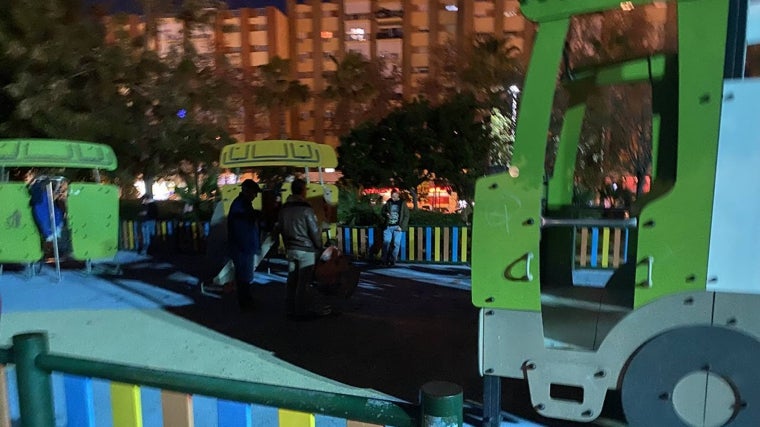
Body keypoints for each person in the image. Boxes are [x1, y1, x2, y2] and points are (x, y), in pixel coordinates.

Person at [273, 178, 332, 319]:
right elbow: (314, 231)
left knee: (291, 279)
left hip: (291, 249)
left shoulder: (284, 208)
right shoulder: (306, 209)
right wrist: (319, 246)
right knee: (303, 282)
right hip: (306, 250)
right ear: (303, 190)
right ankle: (300, 311)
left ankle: (289, 309)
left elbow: (278, 228)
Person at [227, 179, 263, 311]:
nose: (255, 196)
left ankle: (246, 301)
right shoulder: (241, 205)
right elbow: (241, 226)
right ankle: (246, 303)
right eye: (254, 192)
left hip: (243, 246)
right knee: (244, 277)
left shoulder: (243, 204)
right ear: (247, 191)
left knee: (244, 277)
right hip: (242, 247)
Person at [380, 188, 409, 266]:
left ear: (398, 195)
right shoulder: (388, 202)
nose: (393, 198)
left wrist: (401, 226)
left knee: (396, 243)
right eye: (392, 196)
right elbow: (382, 211)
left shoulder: (402, 203)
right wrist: (386, 214)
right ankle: (384, 260)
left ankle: (392, 260)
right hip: (388, 226)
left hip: (397, 226)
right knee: (386, 243)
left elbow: (406, 215)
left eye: (395, 196)